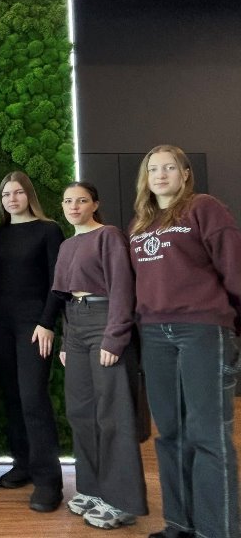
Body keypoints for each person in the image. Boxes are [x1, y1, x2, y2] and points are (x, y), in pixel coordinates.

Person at [129, 145, 240, 538]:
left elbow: (234, 268)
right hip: (154, 334)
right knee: (171, 434)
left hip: (202, 330)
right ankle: (179, 524)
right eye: (153, 169)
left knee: (207, 435)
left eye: (169, 168)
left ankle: (216, 531)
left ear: (185, 173)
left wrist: (231, 325)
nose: (160, 175)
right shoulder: (140, 224)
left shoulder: (203, 208)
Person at [52, 181, 148, 529]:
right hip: (76, 325)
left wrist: (116, 336)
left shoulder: (109, 236)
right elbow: (66, 298)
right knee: (81, 411)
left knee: (113, 412)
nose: (74, 206)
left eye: (81, 200)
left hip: (105, 320)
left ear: (95, 204)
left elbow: (122, 287)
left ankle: (122, 501)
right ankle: (92, 488)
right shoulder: (66, 245)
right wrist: (66, 341)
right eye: (68, 201)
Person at [0, 171, 64, 512]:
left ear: (29, 195)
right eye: (6, 194)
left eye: (17, 192)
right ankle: (24, 464)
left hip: (34, 326)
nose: (12, 199)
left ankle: (49, 481)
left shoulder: (48, 230)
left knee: (34, 398)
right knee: (13, 398)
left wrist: (47, 322)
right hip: (1, 326)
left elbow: (57, 281)